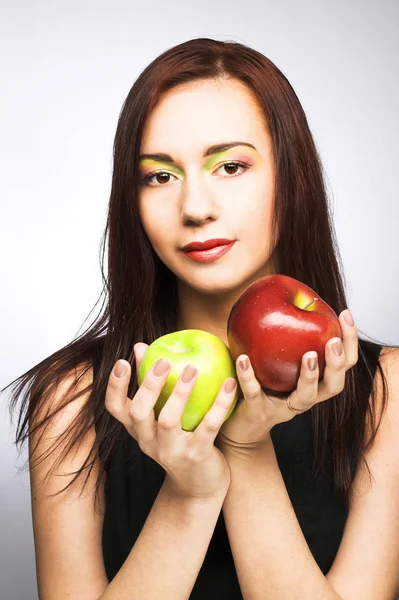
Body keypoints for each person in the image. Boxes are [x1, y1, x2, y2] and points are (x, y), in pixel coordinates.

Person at [3, 37, 399, 600]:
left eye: (231, 166)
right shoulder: (73, 401)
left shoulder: (386, 393)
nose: (195, 207)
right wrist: (190, 494)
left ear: (292, 176)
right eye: (159, 176)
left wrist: (246, 448)